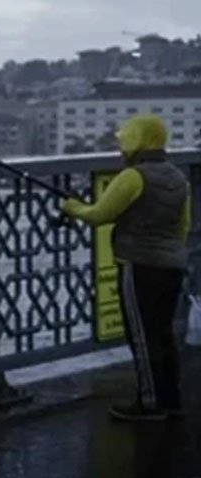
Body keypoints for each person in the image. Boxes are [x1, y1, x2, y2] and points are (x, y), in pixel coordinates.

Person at [62, 115, 194, 422]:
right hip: (172, 265)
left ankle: (148, 403)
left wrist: (72, 208)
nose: (121, 149)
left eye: (125, 142)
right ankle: (170, 398)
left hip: (139, 265)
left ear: (137, 141)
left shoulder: (133, 177)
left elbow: (99, 215)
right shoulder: (178, 177)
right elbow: (183, 226)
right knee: (162, 334)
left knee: (142, 335)